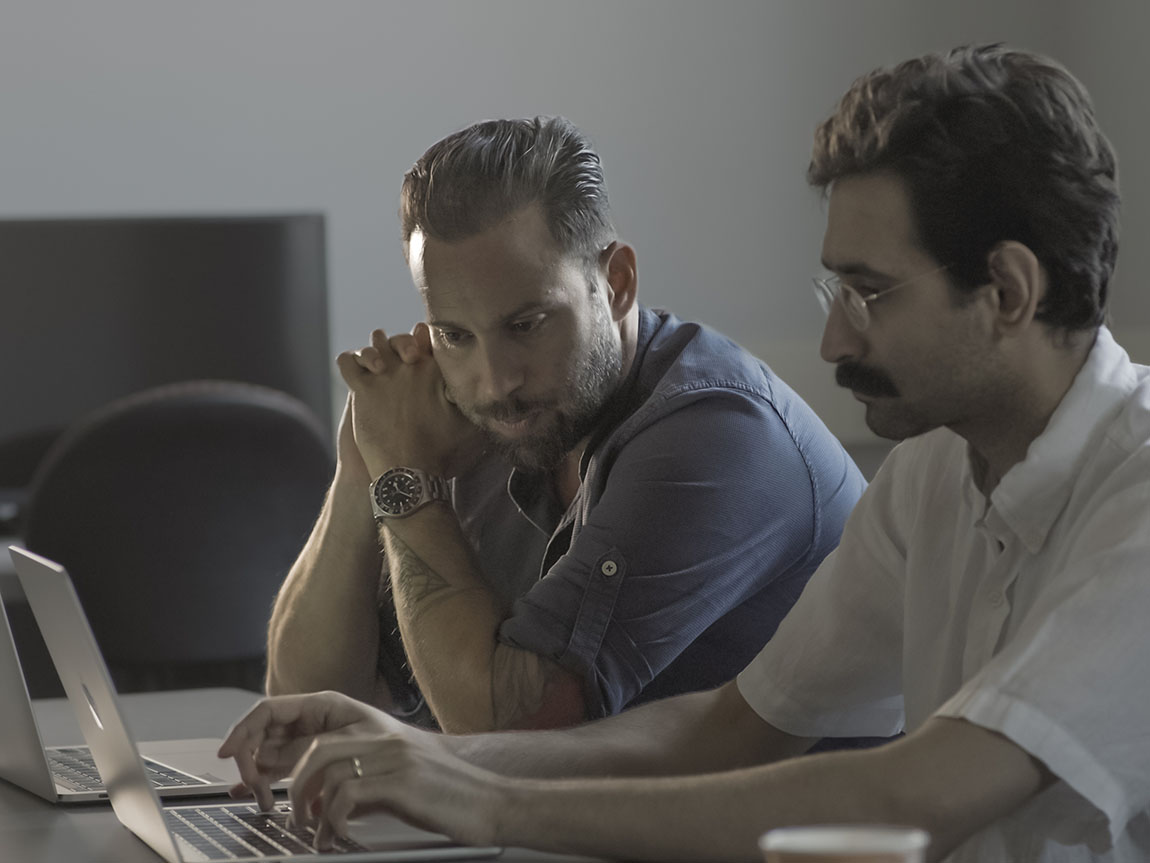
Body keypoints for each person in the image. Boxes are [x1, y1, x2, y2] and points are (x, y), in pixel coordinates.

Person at [222, 44, 1150, 862]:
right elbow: (729, 726)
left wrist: (481, 793)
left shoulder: (1137, 488)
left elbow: (916, 794)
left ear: (1010, 290)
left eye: (869, 292)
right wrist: (417, 754)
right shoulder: (932, 477)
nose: (832, 345)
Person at [264, 116, 866, 734]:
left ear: (617, 283)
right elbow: (303, 707)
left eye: (527, 325)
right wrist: (364, 460)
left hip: (795, 831)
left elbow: (504, 733)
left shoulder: (716, 435)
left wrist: (404, 479)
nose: (496, 381)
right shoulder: (492, 420)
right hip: (584, 827)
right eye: (455, 335)